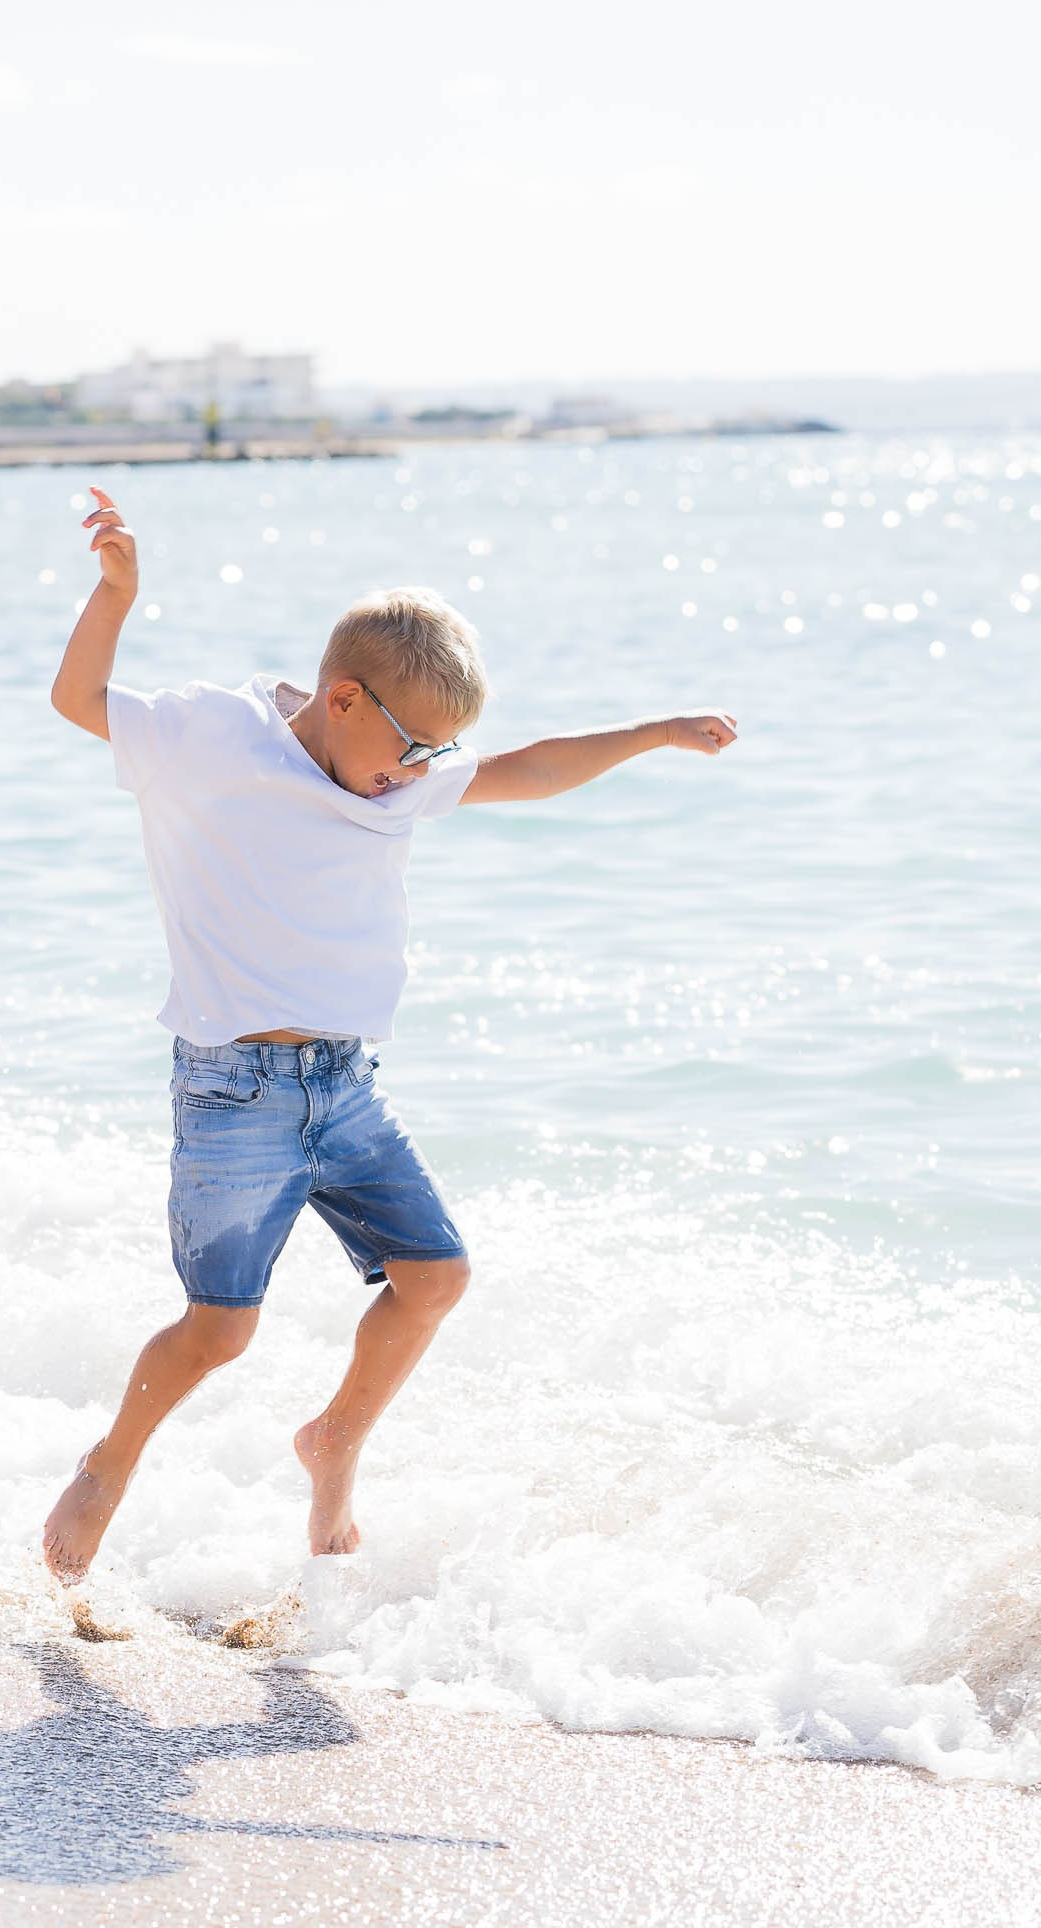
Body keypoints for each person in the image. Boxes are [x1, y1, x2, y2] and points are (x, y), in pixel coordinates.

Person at [41, 483, 737, 1584]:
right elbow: (78, 697)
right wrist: (115, 594)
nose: (419, 773)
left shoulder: (394, 783)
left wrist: (651, 731)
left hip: (346, 1087)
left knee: (435, 1276)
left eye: (435, 756)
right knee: (220, 1331)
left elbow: (531, 769)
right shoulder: (210, 736)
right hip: (234, 1089)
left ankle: (333, 1443)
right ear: (341, 695)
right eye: (410, 747)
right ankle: (109, 1462)